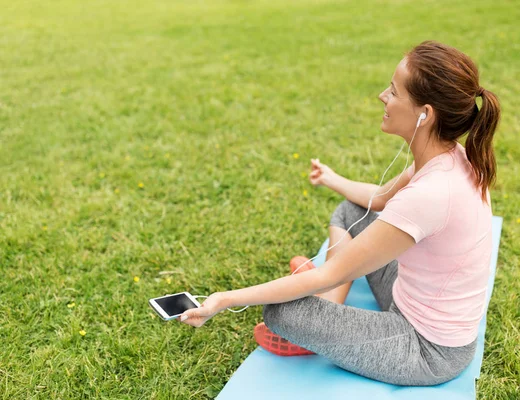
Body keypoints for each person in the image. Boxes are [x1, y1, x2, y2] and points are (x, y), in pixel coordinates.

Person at [179, 40, 501, 386]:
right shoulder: (449, 156)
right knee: (352, 211)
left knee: (283, 311)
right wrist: (332, 179)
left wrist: (223, 300)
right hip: (407, 296)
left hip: (426, 350)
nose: (382, 96)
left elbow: (326, 274)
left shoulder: (431, 194)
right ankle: (330, 304)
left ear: (425, 114)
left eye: (393, 91)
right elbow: (378, 198)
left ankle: (323, 311)